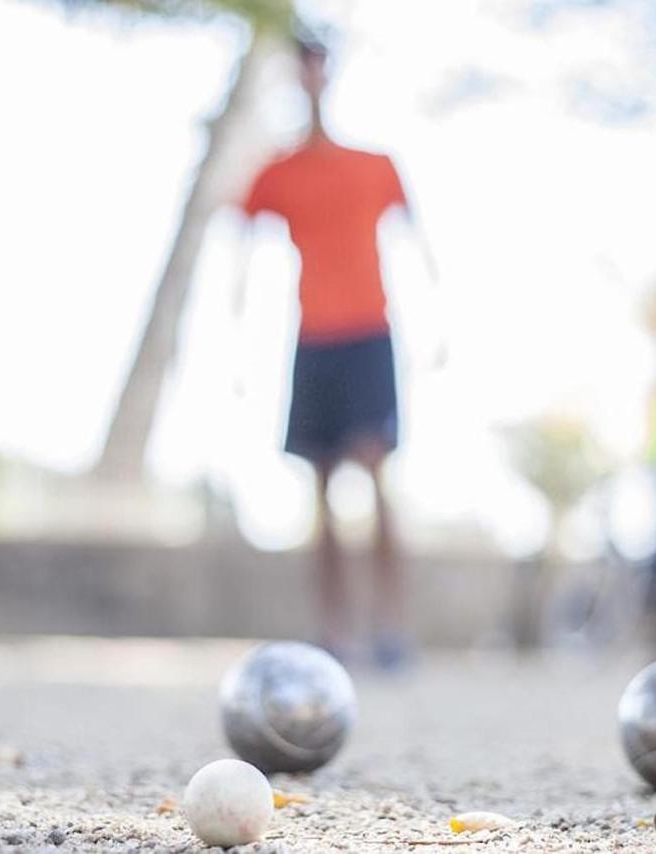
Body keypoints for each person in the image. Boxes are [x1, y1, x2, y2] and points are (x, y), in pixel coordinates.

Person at [234, 36, 435, 667]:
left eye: (318, 66)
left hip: (369, 333)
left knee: (377, 478)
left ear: (330, 74)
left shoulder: (375, 165)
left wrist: (437, 325)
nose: (311, 77)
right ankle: (335, 630)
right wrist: (236, 338)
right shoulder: (278, 171)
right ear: (296, 77)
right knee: (319, 489)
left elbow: (416, 240)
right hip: (313, 336)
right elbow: (239, 240)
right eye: (303, 68)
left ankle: (391, 626)